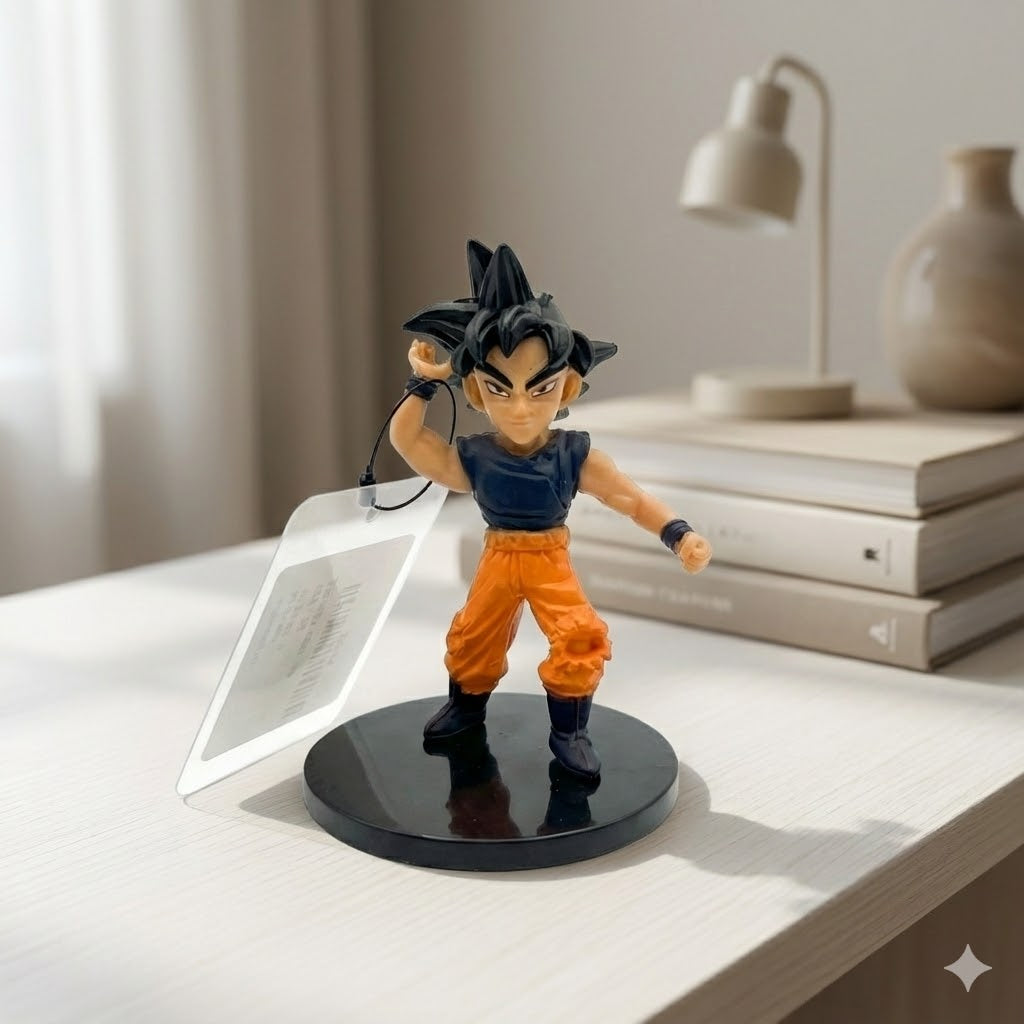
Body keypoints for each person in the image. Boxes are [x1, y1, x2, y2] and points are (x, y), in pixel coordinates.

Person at [389, 241, 712, 778]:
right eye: (500, 389)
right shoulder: (476, 457)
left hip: (549, 561)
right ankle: (466, 707)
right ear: (476, 391)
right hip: (498, 558)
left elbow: (630, 499)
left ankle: (569, 732)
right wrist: (421, 385)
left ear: (566, 387)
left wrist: (677, 533)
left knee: (580, 638)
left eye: (538, 389)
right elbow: (411, 443)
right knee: (474, 637)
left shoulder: (574, 456)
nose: (520, 407)